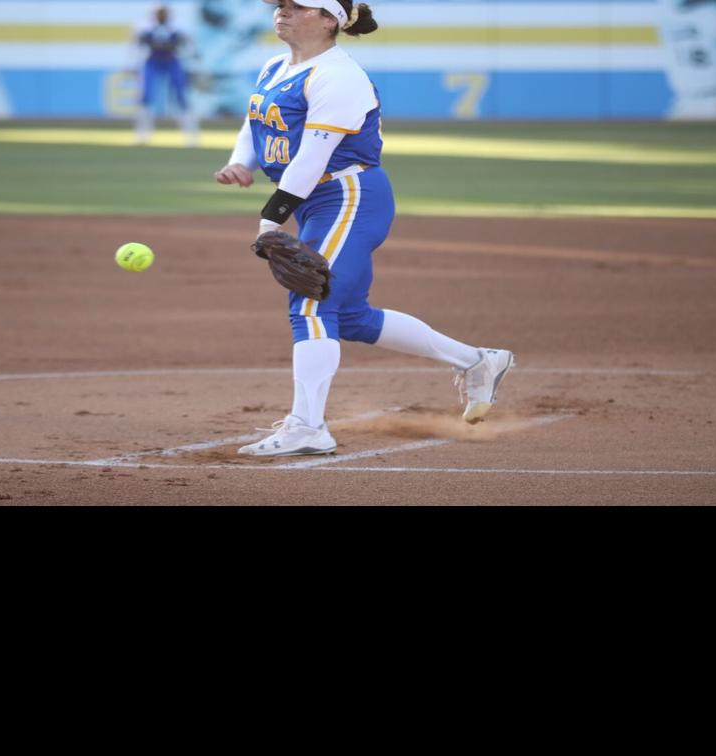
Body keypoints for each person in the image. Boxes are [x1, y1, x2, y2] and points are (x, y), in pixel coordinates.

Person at [215, 0, 515, 458]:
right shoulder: (276, 65)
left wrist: (268, 222)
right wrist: (242, 161)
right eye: (281, 5)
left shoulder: (340, 76)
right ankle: (477, 361)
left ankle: (308, 427)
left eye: (298, 7)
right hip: (315, 198)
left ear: (329, 19)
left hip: (348, 196)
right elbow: (254, 121)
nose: (283, 12)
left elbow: (312, 159)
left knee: (312, 306)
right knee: (349, 316)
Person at [132, 4, 200, 146]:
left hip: (171, 61)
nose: (162, 16)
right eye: (159, 13)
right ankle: (142, 134)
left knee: (181, 96)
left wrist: (190, 63)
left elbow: (188, 45)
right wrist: (135, 64)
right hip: (153, 62)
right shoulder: (145, 27)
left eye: (164, 13)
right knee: (146, 96)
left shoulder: (177, 27)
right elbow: (137, 46)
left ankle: (191, 136)